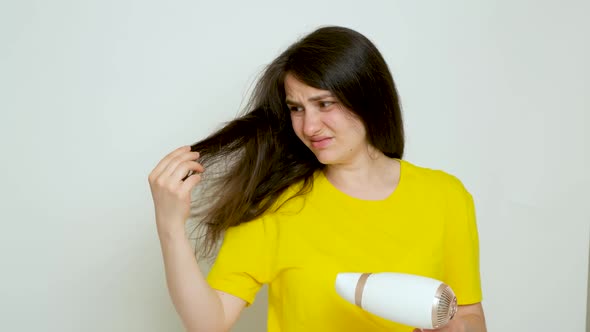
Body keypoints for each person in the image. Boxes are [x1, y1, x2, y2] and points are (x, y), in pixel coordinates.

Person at [148, 26, 487, 332]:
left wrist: (457, 329)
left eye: (324, 104)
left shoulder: (446, 196)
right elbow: (209, 324)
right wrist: (170, 227)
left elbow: (471, 317)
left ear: (367, 98)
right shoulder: (275, 205)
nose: (308, 127)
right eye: (296, 108)